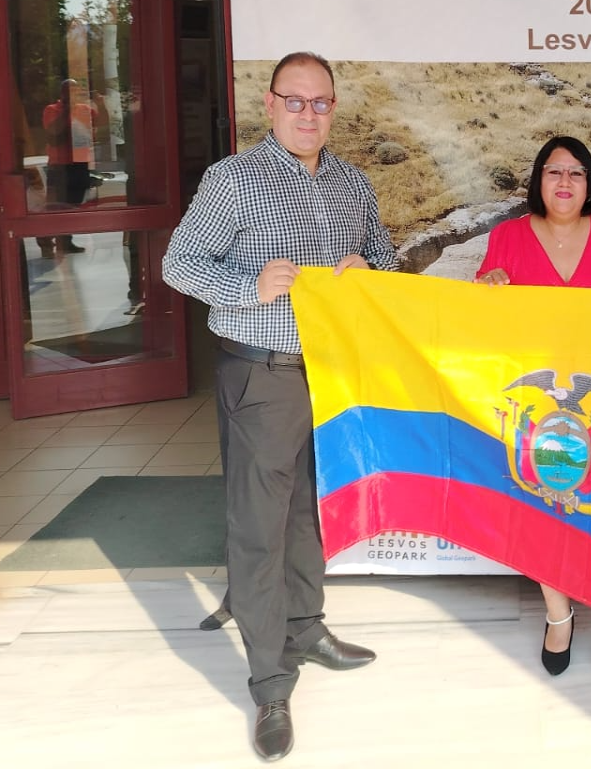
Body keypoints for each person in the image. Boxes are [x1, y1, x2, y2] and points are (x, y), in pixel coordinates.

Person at [163, 51, 398, 762]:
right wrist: (250, 286)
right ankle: (269, 680)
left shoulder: (353, 183)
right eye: (294, 101)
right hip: (261, 373)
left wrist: (370, 269)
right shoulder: (233, 180)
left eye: (320, 102)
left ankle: (307, 628)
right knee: (260, 526)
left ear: (334, 108)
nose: (307, 114)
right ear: (269, 105)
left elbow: (386, 255)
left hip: (331, 375)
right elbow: (178, 264)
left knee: (308, 512)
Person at [476, 135, 591, 691]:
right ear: (538, 180)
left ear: (589, 184)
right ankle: (559, 614)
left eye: (576, 173)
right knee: (542, 505)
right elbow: (479, 316)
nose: (564, 182)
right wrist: (488, 289)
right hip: (536, 406)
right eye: (554, 171)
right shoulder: (506, 237)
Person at [41, 78, 96, 254]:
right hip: (59, 165)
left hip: (79, 164)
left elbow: (97, 128)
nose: (73, 94)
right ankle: (46, 242)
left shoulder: (84, 109)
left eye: (75, 91)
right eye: (69, 91)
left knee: (73, 204)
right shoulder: (51, 110)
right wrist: (67, 110)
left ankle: (65, 240)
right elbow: (53, 136)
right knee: (56, 206)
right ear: (62, 93)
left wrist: (99, 104)